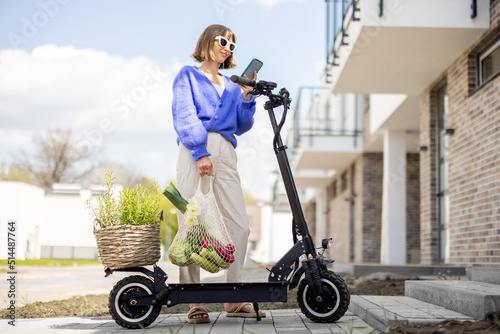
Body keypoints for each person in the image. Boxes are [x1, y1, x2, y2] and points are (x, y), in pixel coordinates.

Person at [171, 24, 265, 324]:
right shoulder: (188, 75)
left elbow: (241, 125)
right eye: (223, 41)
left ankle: (233, 297)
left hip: (226, 152)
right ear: (208, 41)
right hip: (195, 149)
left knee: (239, 224)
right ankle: (194, 300)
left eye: (232, 46)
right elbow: (184, 114)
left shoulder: (231, 85)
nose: (227, 48)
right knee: (190, 224)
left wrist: (248, 98)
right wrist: (200, 152)